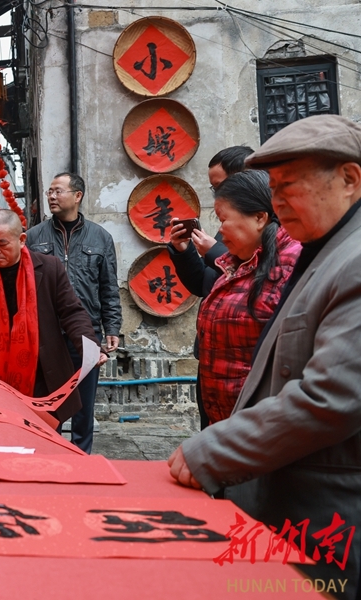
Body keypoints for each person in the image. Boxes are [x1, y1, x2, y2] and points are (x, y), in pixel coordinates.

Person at [169, 115, 361, 598]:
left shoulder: (352, 259)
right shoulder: (325, 247)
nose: (276, 204)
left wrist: (215, 448)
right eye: (272, 189)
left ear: (349, 179)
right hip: (281, 481)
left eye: (289, 187)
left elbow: (332, 396)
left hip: (332, 501)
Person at [0, 210, 104, 425]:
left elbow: (71, 312)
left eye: (2, 243)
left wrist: (89, 347)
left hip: (43, 371)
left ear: (21, 239)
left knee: (44, 440)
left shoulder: (50, 268)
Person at [170, 170, 299, 427]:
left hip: (263, 425)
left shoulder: (294, 263)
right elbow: (203, 285)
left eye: (223, 219)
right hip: (227, 423)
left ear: (260, 217)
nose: (219, 230)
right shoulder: (236, 261)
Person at [25, 172, 121, 453]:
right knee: (47, 397)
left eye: (58, 191)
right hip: (47, 332)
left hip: (86, 331)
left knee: (83, 401)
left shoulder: (100, 237)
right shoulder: (34, 237)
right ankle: (48, 451)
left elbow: (108, 286)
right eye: (50, 192)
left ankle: (81, 454)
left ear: (77, 196)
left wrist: (112, 326)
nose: (52, 197)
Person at [171, 146, 255, 297]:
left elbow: (256, 275)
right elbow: (203, 285)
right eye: (214, 189)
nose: (217, 195)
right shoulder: (227, 227)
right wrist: (184, 251)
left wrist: (214, 253)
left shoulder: (273, 228)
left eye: (221, 186)